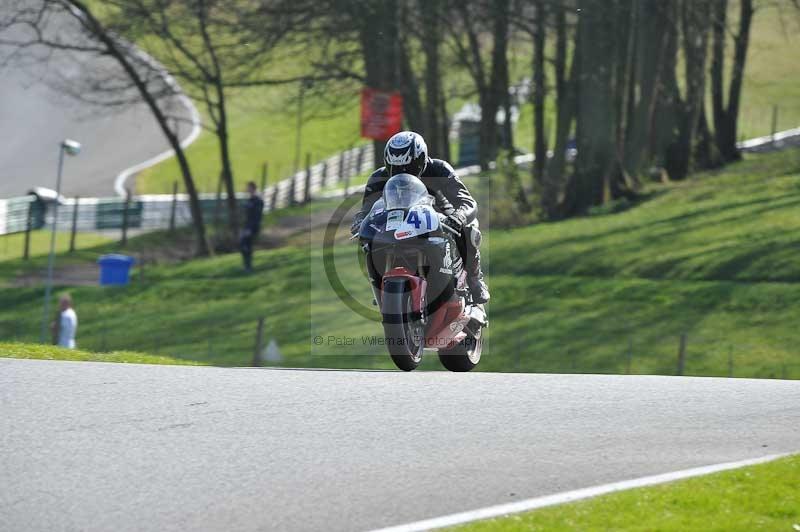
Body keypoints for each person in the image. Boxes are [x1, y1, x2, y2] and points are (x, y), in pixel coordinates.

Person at [351, 131, 490, 303]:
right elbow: (366, 210)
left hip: (439, 216)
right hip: (397, 221)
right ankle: (382, 287)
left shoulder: (440, 169)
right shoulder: (378, 177)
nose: (402, 172)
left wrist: (459, 216)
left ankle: (475, 281)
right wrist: (359, 222)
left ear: (422, 159)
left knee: (468, 230)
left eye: (410, 166)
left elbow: (467, 201)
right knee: (370, 243)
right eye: (395, 169)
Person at [240, 181, 264, 272]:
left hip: (252, 227)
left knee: (246, 245)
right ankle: (246, 266)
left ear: (253, 188)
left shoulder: (258, 201)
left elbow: (257, 217)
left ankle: (248, 267)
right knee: (244, 245)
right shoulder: (249, 200)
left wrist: (250, 228)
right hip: (246, 227)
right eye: (247, 187)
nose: (247, 189)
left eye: (249, 187)